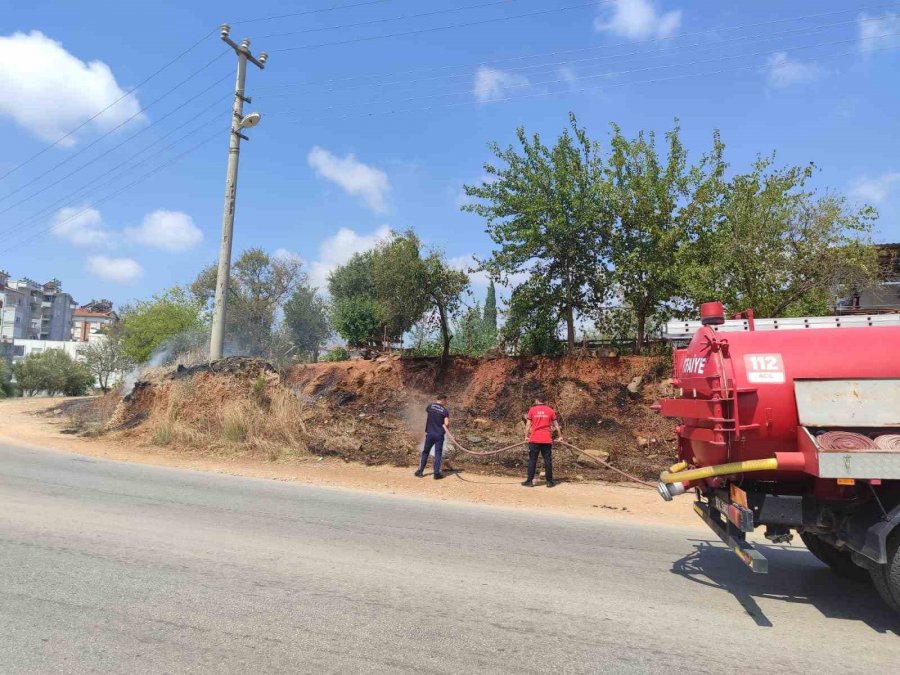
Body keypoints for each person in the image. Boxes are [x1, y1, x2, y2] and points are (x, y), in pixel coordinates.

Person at [522, 394, 562, 488]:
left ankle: (529, 481)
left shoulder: (532, 410)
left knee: (533, 460)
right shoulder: (550, 410)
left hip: (534, 439)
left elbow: (528, 425)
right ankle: (549, 482)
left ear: (537, 400)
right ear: (545, 401)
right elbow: (556, 425)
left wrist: (526, 436)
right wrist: (560, 436)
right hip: (546, 439)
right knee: (547, 460)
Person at [415, 394, 450, 480]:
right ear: (442, 400)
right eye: (446, 400)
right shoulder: (445, 411)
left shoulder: (430, 406)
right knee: (438, 454)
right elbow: (446, 423)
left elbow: (429, 412)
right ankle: (436, 474)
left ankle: (420, 472)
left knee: (425, 452)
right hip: (439, 435)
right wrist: (443, 426)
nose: (446, 402)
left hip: (430, 433)